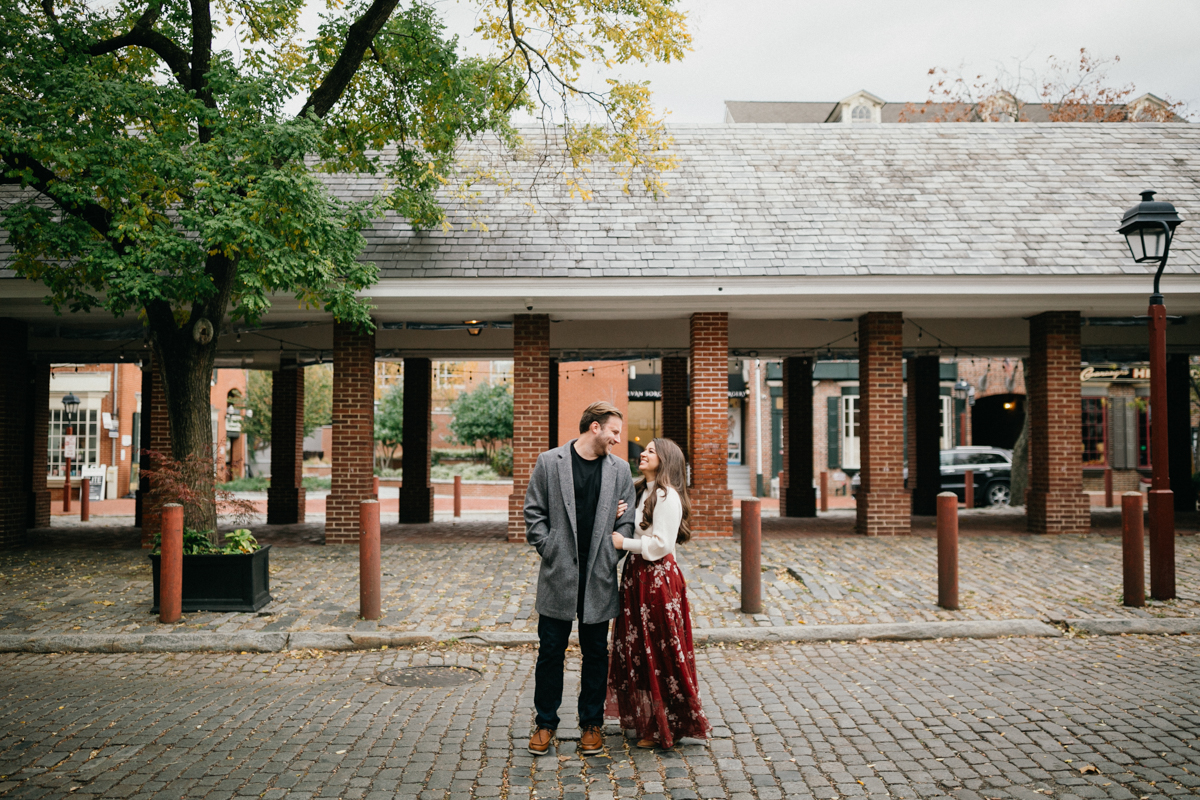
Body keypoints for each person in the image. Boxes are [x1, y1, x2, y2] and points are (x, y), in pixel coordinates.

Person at [524, 401, 637, 757]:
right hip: (558, 574)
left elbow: (627, 522)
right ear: (595, 427)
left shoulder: (620, 469)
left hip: (598, 576)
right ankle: (545, 723)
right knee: (550, 652)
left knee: (596, 653)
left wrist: (610, 556)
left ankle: (591, 724)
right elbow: (534, 513)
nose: (618, 439)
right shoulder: (549, 462)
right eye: (614, 431)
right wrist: (550, 548)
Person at [607, 437, 710, 750]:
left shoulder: (667, 496)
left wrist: (625, 544)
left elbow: (662, 544)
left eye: (651, 451)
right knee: (639, 648)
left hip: (657, 579)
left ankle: (666, 723)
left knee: (660, 650)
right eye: (645, 449)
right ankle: (650, 719)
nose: (643, 453)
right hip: (637, 576)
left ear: (665, 460)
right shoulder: (642, 490)